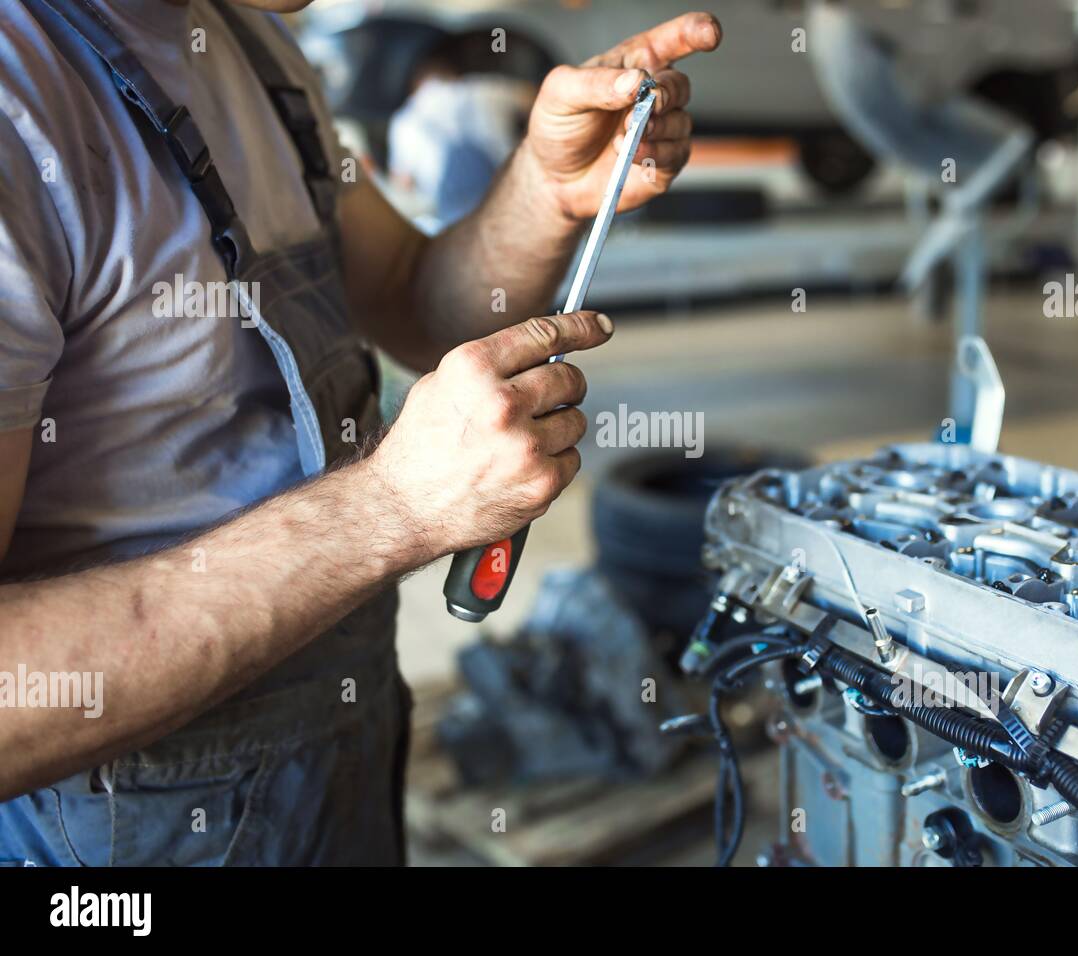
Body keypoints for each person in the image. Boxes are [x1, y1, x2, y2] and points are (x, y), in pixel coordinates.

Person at [0, 0, 720, 865]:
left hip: (334, 767)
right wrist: (391, 511)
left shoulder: (252, 42)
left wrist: (546, 191)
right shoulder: (20, 100)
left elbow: (415, 300)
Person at [387, 31, 534, 228]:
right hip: (509, 193)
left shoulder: (403, 123)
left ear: (416, 84)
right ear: (451, 75)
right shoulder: (480, 87)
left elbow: (403, 182)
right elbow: (531, 96)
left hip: (454, 219)